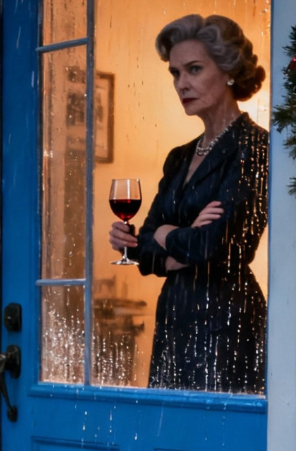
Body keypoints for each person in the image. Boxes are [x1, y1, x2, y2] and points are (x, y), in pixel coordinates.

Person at [109, 14, 268, 393]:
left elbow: (218, 247)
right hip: (175, 315)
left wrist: (167, 234)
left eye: (194, 69)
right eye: (176, 73)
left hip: (226, 319)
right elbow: (143, 247)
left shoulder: (256, 148)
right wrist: (173, 241)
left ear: (228, 70)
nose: (182, 84)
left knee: (218, 441)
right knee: (170, 433)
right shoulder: (179, 157)